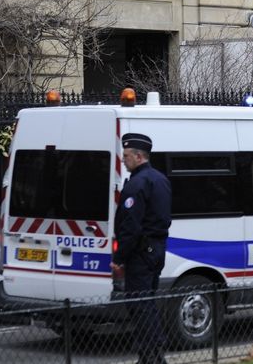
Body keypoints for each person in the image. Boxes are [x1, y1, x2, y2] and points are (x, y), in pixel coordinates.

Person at [110, 133, 172, 364]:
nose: (123, 160)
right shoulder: (160, 180)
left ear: (138, 156)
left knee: (139, 304)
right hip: (156, 249)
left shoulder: (137, 184)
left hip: (140, 253)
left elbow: (131, 226)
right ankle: (153, 355)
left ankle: (151, 355)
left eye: (126, 156)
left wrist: (120, 257)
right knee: (148, 302)